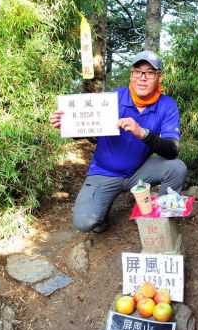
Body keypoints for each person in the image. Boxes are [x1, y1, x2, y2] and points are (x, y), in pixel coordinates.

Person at [49, 50, 187, 232]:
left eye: (150, 72)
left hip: (139, 171)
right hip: (104, 172)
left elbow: (172, 150)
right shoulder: (112, 100)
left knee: (177, 168)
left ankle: (164, 221)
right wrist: (67, 124)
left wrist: (143, 133)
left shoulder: (167, 105)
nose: (143, 78)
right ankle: (102, 211)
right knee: (85, 223)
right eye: (138, 71)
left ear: (159, 77)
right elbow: (91, 133)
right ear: (131, 74)